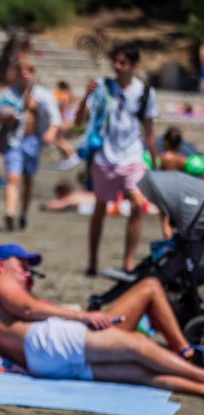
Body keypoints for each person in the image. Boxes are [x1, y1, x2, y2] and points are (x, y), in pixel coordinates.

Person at [0, 244, 204, 395]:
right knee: (138, 345)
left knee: (140, 372)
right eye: (22, 266)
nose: (28, 272)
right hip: (46, 342)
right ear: (0, 266)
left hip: (41, 363)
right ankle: (193, 363)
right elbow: (28, 308)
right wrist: (83, 316)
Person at [76, 42, 157, 276]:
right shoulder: (102, 87)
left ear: (134, 65)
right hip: (104, 156)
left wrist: (156, 162)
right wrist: (85, 97)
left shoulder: (144, 92)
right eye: (116, 62)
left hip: (132, 155)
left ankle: (128, 262)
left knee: (136, 204)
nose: (118, 67)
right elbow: (80, 120)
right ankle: (92, 260)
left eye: (123, 63)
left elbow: (150, 131)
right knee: (99, 207)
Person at [0, 60, 61, 231]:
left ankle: (24, 213)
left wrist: (51, 132)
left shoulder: (42, 94)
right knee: (12, 178)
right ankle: (10, 213)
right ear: (17, 74)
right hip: (14, 141)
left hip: (33, 141)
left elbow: (55, 118)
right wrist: (9, 116)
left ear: (33, 74)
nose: (25, 74)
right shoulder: (10, 94)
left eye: (28, 71)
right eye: (22, 71)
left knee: (28, 180)